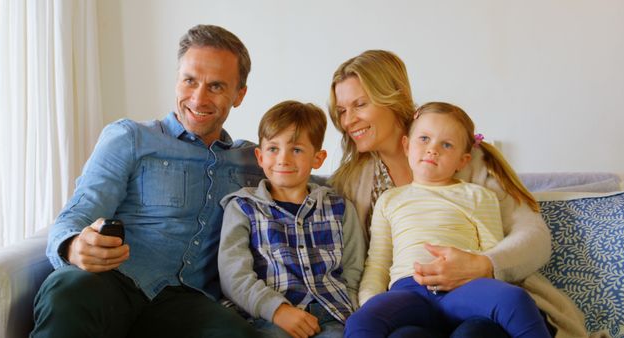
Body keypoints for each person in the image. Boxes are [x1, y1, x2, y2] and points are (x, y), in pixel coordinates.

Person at [328, 50, 587, 337]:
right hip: (410, 304)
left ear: (393, 96)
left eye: (360, 105)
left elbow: (534, 236)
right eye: (341, 110)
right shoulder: (351, 183)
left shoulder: (468, 161)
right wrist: (371, 305)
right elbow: (368, 264)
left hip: (475, 301)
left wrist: (485, 265)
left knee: (474, 333)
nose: (347, 120)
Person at [31, 24, 264, 338]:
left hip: (188, 302)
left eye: (217, 86)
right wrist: (73, 246)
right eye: (190, 81)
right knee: (68, 291)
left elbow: (316, 182)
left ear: (239, 95)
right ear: (177, 80)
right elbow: (75, 216)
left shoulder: (258, 160)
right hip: (113, 282)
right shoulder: (129, 137)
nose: (198, 97)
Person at [345, 102, 551, 337]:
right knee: (361, 321)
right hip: (409, 291)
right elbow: (378, 264)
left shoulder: (478, 195)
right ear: (406, 145)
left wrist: (482, 274)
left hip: (463, 287)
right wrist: (371, 302)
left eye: (446, 144)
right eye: (424, 139)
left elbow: (489, 250)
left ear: (462, 161)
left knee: (515, 299)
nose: (433, 149)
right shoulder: (389, 200)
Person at [218, 100, 366, 338]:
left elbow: (354, 269)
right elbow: (234, 275)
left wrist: (352, 311)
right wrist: (276, 310)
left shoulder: (339, 208)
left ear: (318, 158)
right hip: (270, 317)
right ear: (260, 156)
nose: (283, 159)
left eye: (296, 150)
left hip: (332, 314)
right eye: (273, 149)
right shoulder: (242, 207)